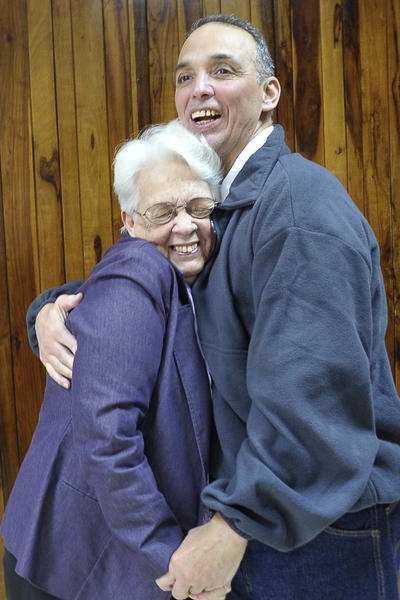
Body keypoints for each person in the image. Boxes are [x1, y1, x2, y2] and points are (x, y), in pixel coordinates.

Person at [23, 14, 400, 600]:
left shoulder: (297, 212)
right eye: (185, 77)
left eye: (223, 71)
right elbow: (154, 298)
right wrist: (52, 310)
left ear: (269, 93)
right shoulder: (218, 211)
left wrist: (230, 528)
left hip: (315, 532)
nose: (199, 88)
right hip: (261, 521)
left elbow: (310, 404)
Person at [1, 120, 232, 600]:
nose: (185, 224)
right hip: (69, 560)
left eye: (197, 206)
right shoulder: (139, 270)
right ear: (129, 221)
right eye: (163, 210)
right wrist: (170, 560)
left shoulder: (181, 274)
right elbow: (109, 439)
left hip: (93, 551)